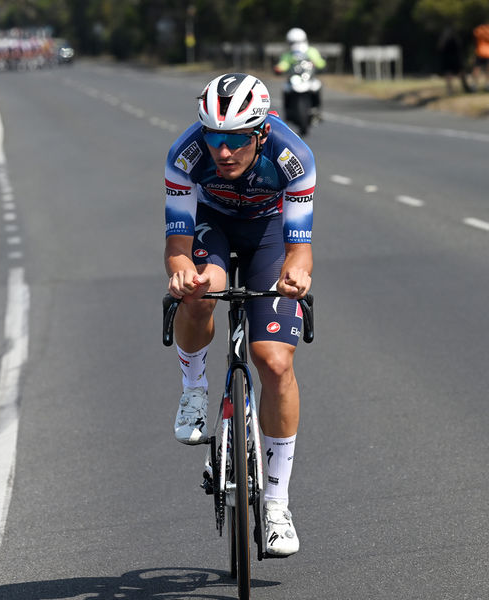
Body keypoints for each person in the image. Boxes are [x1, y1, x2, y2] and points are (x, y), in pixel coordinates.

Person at [164, 73, 314, 558]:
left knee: (273, 361)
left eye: (235, 141)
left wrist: (296, 276)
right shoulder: (185, 156)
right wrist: (183, 271)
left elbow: (299, 251)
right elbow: (178, 248)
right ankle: (194, 390)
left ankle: (275, 505)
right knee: (202, 292)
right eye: (213, 138)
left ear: (261, 133)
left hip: (269, 232)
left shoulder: (294, 159)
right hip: (214, 224)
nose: (222, 152)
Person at [274, 28, 326, 120]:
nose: (296, 45)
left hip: (309, 78)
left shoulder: (311, 51)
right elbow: (283, 64)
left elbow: (319, 61)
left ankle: (316, 109)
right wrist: (279, 68)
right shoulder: (288, 55)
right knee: (285, 89)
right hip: (294, 80)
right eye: (293, 43)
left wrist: (319, 64)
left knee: (317, 86)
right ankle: (288, 111)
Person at [471, 22, 489, 91]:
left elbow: (475, 39)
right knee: (488, 70)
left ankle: (474, 85)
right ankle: (488, 85)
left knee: (477, 69)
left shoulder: (479, 29)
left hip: (480, 51)